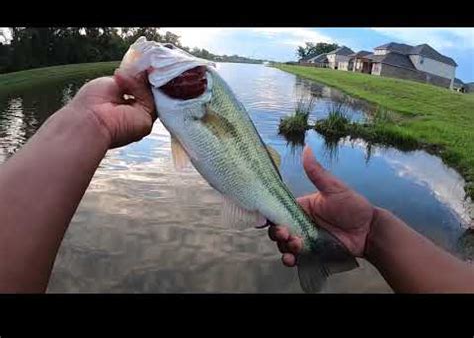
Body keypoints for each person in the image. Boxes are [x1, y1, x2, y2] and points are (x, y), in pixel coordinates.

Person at [0, 70, 473, 293]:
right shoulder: (189, 103)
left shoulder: (198, 98)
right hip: (338, 223)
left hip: (244, 172)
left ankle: (313, 248)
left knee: (276, 202)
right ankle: (315, 247)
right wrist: (376, 233)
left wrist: (86, 123)